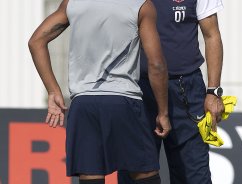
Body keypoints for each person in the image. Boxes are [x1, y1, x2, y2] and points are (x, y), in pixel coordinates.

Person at [28, 0, 172, 183]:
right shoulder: (141, 5)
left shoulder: (72, 3)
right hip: (124, 101)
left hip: (84, 104)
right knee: (144, 175)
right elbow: (157, 64)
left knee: (91, 176)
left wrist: (53, 91)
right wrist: (163, 112)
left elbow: (36, 41)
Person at [118, 0, 225, 183]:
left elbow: (211, 34)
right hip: (138, 87)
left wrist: (213, 92)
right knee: (136, 172)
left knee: (194, 175)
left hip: (187, 90)